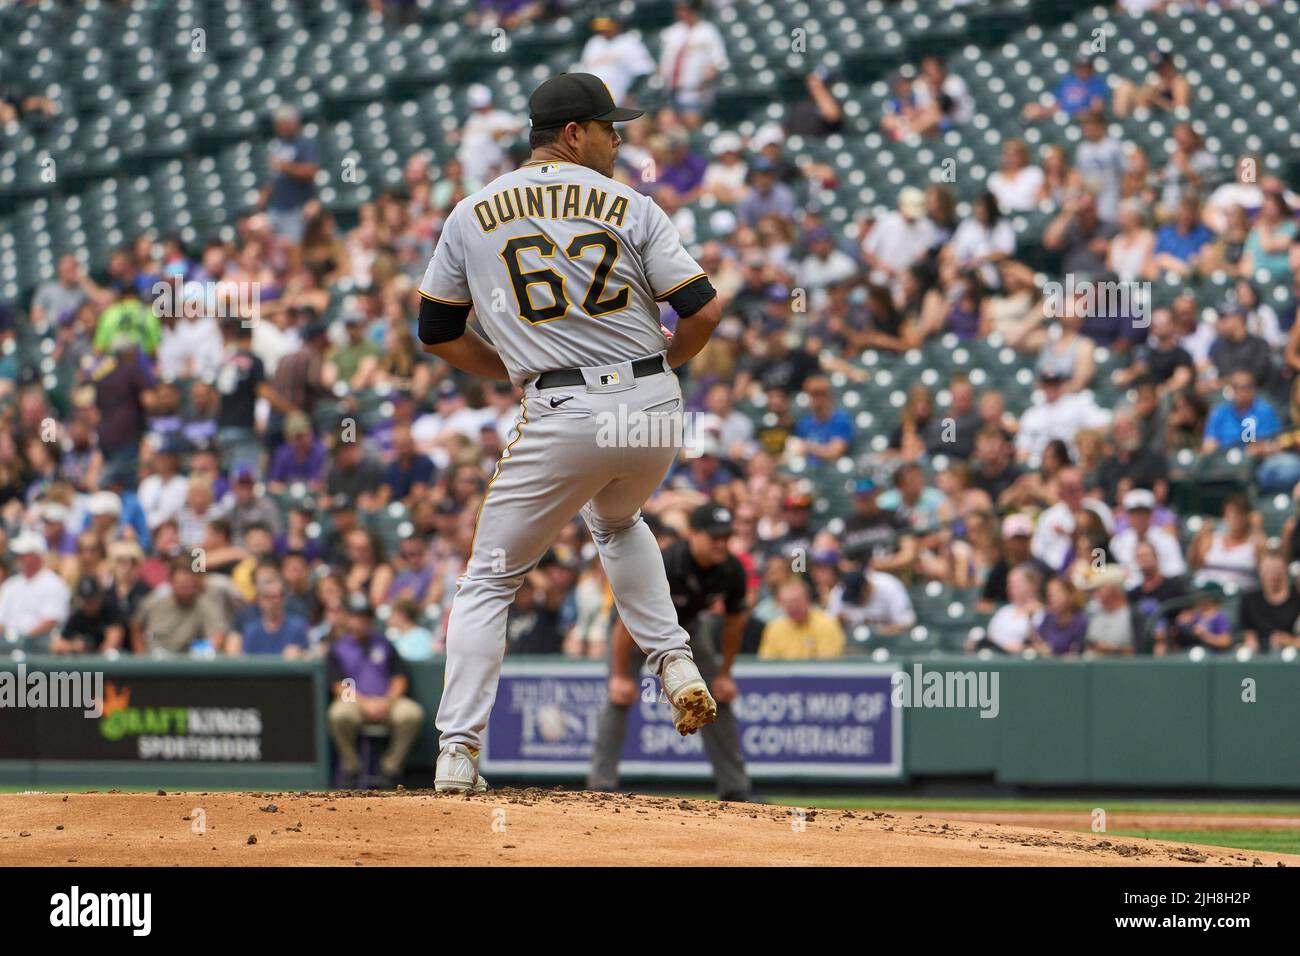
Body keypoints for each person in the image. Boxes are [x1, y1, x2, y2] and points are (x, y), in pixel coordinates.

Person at [417, 73, 723, 793]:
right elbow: (704, 314)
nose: (621, 140)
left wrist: (510, 368)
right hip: (650, 409)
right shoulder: (633, 203)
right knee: (617, 523)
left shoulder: (469, 213)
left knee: (490, 578)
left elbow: (435, 332)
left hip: (563, 406)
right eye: (611, 128)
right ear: (574, 134)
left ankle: (457, 753)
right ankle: (674, 662)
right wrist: (655, 372)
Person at [589, 503, 755, 802]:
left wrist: (725, 674)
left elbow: (734, 626)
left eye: (726, 537)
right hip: (635, 624)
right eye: (714, 537)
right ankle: (601, 786)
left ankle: (735, 788)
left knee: (716, 695)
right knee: (619, 698)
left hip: (688, 625)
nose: (721, 544)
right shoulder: (669, 561)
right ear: (694, 535)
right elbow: (624, 625)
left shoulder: (731, 569)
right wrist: (619, 676)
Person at [326, 594, 426, 788]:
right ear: (347, 618)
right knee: (338, 714)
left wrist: (387, 701)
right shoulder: (338, 648)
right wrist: (364, 703)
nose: (359, 622)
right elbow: (339, 684)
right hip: (354, 701)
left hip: (386, 701)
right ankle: (351, 768)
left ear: (370, 620)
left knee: (411, 713)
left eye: (363, 617)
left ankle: (390, 768)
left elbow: (399, 677)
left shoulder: (384, 644)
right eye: (355, 616)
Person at [0, 533, 71, 654]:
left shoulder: (54, 584)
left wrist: (22, 639)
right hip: (8, 645)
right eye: (18, 554)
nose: (19, 557)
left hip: (40, 647)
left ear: (37, 556)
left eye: (24, 554)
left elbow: (51, 620)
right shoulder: (10, 585)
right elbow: (2, 621)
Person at [260, 106, 319, 245]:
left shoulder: (304, 144)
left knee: (294, 246)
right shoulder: (277, 145)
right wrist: (264, 194)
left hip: (296, 208)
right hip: (277, 207)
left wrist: (284, 166)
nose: (279, 127)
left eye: (283, 123)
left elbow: (311, 171)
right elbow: (275, 177)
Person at [757, 578, 846, 659]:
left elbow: (828, 664)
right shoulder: (774, 628)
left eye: (796, 602)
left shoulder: (826, 624)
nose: (793, 607)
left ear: (807, 599)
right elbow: (767, 663)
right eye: (788, 604)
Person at [1240, 551, 1300, 652]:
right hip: (1260, 655)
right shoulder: (1249, 599)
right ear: (1260, 571)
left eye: (1276, 569)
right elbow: (1247, 632)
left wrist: (1291, 641)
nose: (1272, 574)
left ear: (1285, 570)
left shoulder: (1297, 596)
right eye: (1267, 570)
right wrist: (1251, 641)